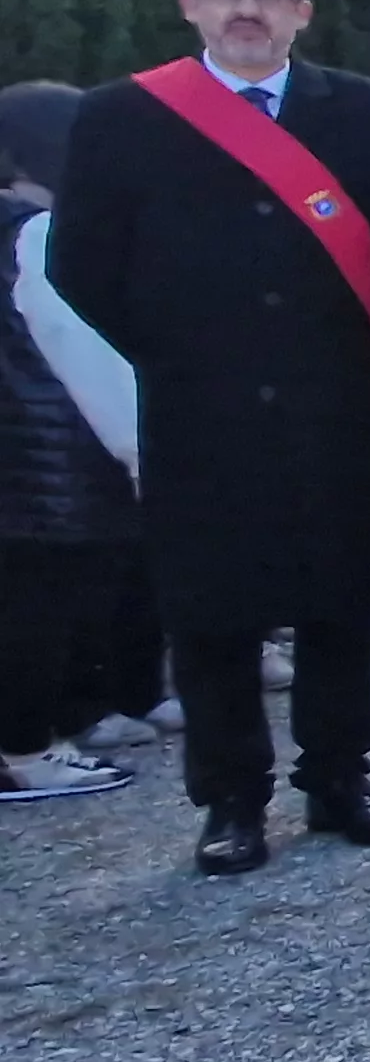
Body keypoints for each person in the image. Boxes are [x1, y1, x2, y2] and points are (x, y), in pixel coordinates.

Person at [51, 0, 370, 874]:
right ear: (192, 7)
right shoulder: (122, 116)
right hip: (199, 408)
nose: (246, 10)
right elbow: (80, 265)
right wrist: (180, 349)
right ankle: (230, 800)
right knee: (212, 613)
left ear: (301, 12)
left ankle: (340, 778)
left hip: (337, 404)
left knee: (341, 602)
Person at [0, 83, 153, 801]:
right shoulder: (41, 234)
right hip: (50, 462)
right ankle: (26, 749)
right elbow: (80, 350)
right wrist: (139, 449)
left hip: (20, 459)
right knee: (43, 605)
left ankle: (56, 726)